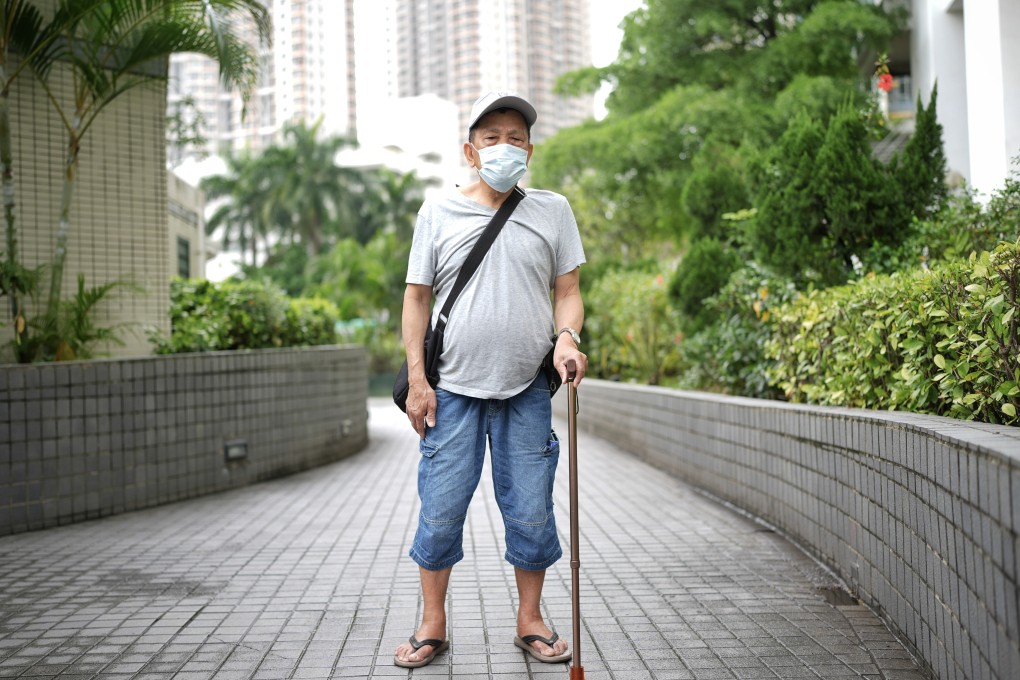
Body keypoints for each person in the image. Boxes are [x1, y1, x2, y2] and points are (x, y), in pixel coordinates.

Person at [393, 91, 588, 669]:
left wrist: (568, 339)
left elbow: (568, 292)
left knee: (531, 508)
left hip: (526, 389)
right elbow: (416, 299)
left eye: (516, 137)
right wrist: (418, 380)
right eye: (491, 138)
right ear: (470, 152)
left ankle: (530, 619)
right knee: (441, 508)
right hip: (450, 390)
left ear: (531, 148)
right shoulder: (438, 212)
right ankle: (433, 623)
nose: (506, 146)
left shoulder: (553, 211)